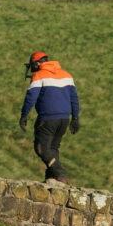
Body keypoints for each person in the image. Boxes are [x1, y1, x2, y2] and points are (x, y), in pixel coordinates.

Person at [19, 52, 80, 182]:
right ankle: (53, 178)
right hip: (64, 119)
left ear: (37, 63)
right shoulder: (66, 75)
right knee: (53, 148)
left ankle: (59, 172)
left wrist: (24, 115)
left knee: (41, 147)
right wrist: (75, 118)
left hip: (48, 118)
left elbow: (31, 98)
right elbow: (74, 98)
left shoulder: (39, 75)